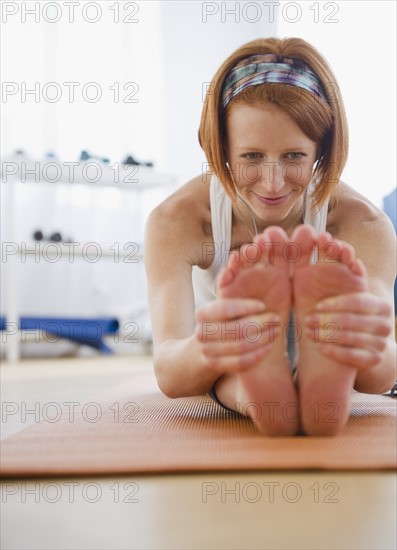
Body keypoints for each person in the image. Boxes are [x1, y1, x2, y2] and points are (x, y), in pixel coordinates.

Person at [144, 37, 396, 436]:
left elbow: (381, 372)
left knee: (371, 362)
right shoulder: (179, 220)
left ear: (321, 150)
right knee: (221, 369)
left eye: (295, 156)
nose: (272, 182)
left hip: (335, 350)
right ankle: (265, 383)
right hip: (225, 356)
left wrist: (352, 334)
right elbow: (171, 370)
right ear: (222, 146)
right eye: (252, 157)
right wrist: (215, 340)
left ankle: (318, 358)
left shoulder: (362, 224)